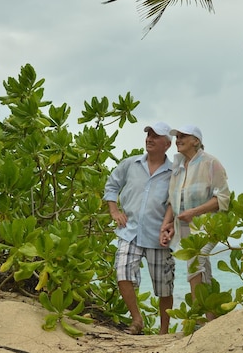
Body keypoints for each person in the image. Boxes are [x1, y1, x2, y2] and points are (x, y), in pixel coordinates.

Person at [103, 122, 175, 335]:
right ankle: (137, 321)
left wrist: (170, 226)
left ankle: (163, 332)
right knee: (122, 272)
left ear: (167, 144)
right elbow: (111, 185)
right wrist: (114, 211)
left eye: (155, 136)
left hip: (158, 236)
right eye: (148, 134)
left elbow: (176, 202)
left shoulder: (174, 172)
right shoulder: (130, 164)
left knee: (164, 287)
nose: (149, 139)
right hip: (130, 231)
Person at [159, 124, 230, 322]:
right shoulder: (178, 166)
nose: (178, 140)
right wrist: (167, 225)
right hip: (186, 228)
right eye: (177, 136)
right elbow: (174, 201)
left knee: (195, 262)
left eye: (183, 136)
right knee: (203, 269)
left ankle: (197, 316)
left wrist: (194, 212)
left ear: (196, 141)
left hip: (210, 226)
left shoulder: (211, 163)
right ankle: (211, 319)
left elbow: (223, 199)